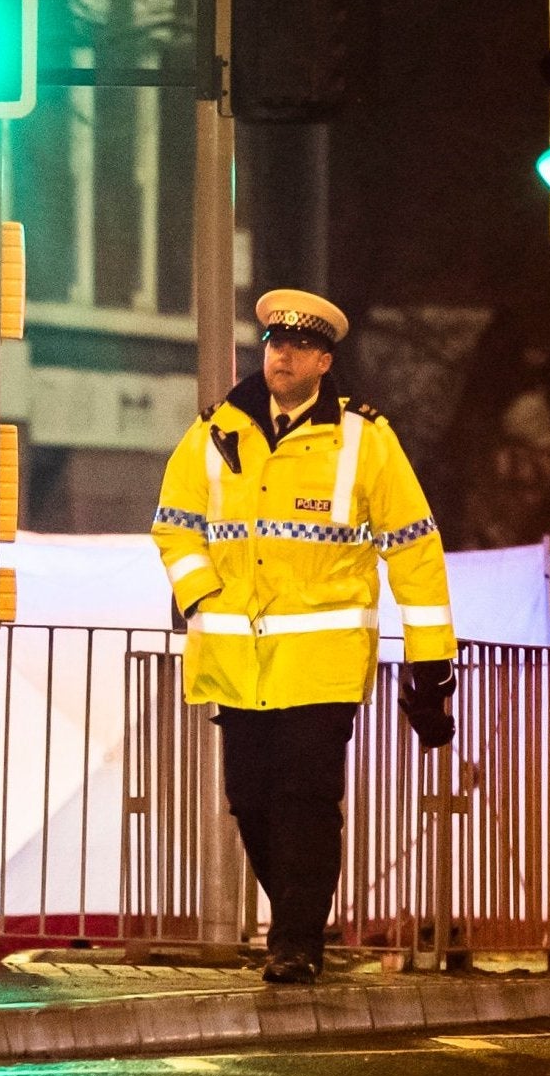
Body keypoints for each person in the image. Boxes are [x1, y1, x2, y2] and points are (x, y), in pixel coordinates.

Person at [150, 288, 457, 985]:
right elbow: (174, 524)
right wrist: (201, 592)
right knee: (250, 801)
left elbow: (414, 547)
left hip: (322, 663)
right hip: (238, 660)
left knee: (305, 800)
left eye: (299, 346)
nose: (282, 355)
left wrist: (431, 660)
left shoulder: (364, 439)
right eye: (274, 344)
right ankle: (299, 914)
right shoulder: (215, 432)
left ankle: (295, 940)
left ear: (324, 361)